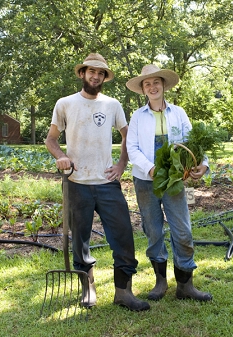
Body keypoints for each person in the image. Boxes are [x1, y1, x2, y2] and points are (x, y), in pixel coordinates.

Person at [45, 53, 150, 311]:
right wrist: (61, 156)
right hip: (76, 183)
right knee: (79, 239)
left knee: (123, 235)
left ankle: (123, 292)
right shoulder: (65, 103)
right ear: (82, 73)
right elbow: (51, 140)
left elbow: (128, 136)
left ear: (104, 77)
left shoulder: (112, 105)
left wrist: (122, 164)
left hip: (107, 183)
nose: (96, 76)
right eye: (92, 71)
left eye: (101, 73)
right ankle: (87, 287)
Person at [126, 64, 212, 302]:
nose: (152, 87)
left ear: (164, 85)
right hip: (146, 181)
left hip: (175, 180)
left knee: (182, 230)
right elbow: (131, 148)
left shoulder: (178, 113)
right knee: (153, 230)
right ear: (143, 89)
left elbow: (193, 142)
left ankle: (185, 286)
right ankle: (160, 282)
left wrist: (202, 163)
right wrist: (150, 168)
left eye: (156, 82)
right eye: (147, 84)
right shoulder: (137, 117)